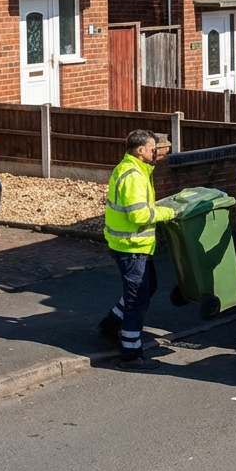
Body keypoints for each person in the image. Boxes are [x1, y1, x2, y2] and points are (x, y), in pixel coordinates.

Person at [98, 129, 175, 370]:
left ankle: (110, 325)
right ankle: (131, 354)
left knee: (147, 288)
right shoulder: (133, 176)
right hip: (131, 246)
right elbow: (139, 215)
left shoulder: (134, 170)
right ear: (140, 151)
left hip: (132, 245)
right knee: (137, 298)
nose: (156, 153)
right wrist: (170, 212)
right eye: (153, 149)